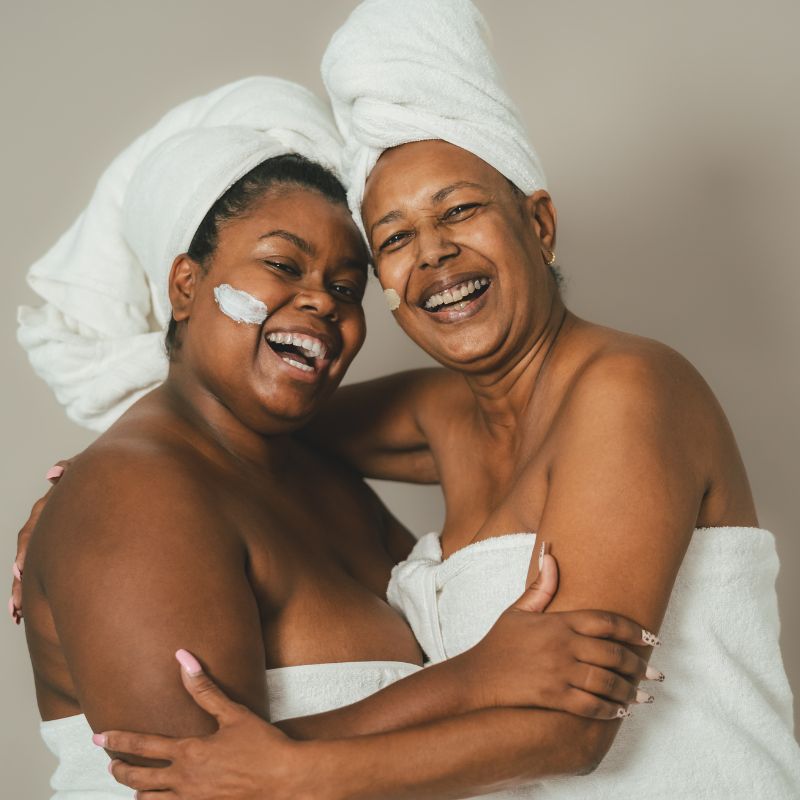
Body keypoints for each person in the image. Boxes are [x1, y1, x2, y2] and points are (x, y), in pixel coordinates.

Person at [80, 1, 800, 798]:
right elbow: (246, 419)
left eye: (459, 210)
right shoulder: (445, 417)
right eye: (392, 239)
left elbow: (575, 726)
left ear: (540, 223)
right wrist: (109, 473)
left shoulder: (628, 387)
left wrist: (290, 771)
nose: (432, 253)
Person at [14, 76, 655, 800]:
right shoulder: (135, 493)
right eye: (284, 266)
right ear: (186, 287)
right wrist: (473, 680)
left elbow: (529, 399)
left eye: (348, 286)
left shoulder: (310, 471)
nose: (322, 298)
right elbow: (191, 785)